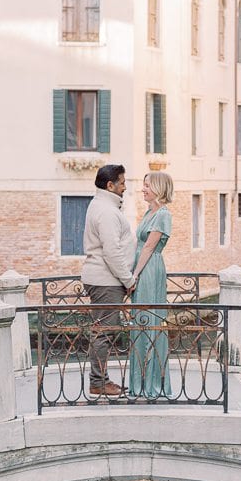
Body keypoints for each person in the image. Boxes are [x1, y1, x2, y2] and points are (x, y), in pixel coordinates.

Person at [82, 164, 136, 397]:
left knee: (102, 332)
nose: (125, 187)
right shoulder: (106, 211)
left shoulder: (103, 206)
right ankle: (98, 382)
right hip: (107, 280)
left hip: (105, 278)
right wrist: (128, 279)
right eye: (122, 183)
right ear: (110, 185)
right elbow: (111, 251)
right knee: (103, 333)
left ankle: (101, 379)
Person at [129, 171, 173, 397]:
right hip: (141, 267)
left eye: (147, 185)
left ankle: (152, 383)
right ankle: (139, 383)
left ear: (158, 187)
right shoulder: (150, 212)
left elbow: (148, 248)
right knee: (140, 322)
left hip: (149, 271)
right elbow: (138, 245)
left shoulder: (163, 214)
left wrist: (134, 276)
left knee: (150, 321)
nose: (143, 189)